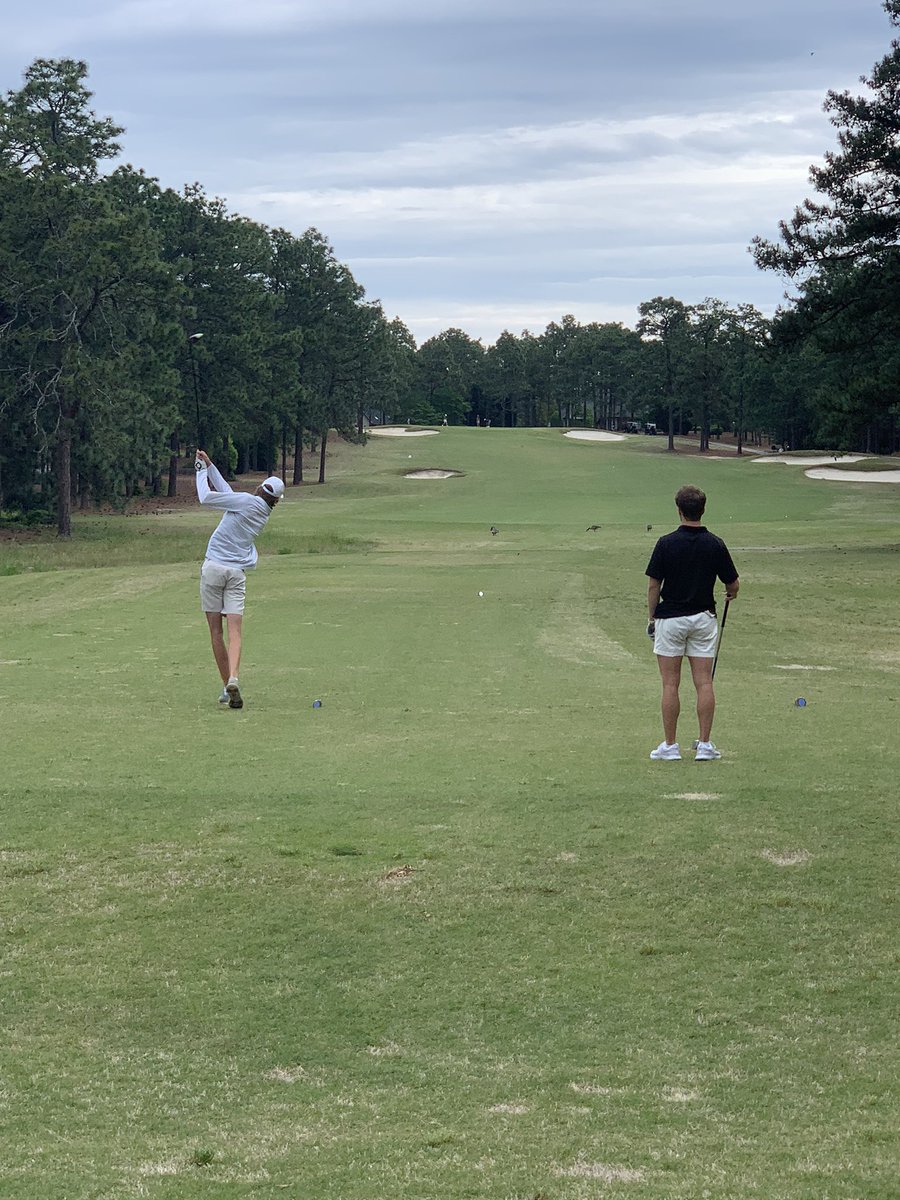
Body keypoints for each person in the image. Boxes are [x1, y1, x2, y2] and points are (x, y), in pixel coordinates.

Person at [645, 484, 739, 761]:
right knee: (704, 683)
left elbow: (654, 585)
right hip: (703, 619)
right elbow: (732, 583)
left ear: (679, 511)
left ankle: (670, 746)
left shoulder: (665, 543)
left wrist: (652, 617)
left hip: (670, 619)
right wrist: (731, 594)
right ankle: (706, 746)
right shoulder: (715, 543)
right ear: (703, 509)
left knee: (670, 684)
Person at [194, 449, 284, 708]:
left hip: (213, 568)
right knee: (235, 632)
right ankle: (232, 678)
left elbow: (206, 498)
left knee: (215, 632)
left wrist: (200, 471)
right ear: (275, 500)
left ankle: (226, 685)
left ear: (259, 488)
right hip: (236, 574)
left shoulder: (247, 501)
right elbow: (228, 495)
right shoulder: (259, 510)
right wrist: (211, 467)